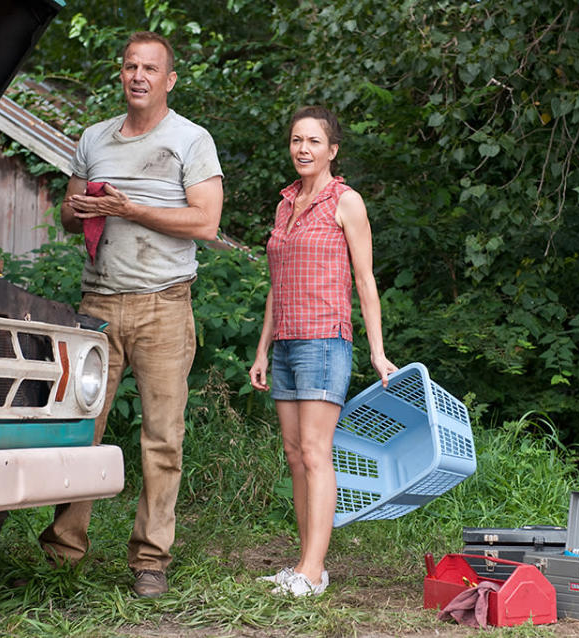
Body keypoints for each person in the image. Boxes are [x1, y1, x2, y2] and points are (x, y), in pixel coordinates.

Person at [37, 31, 224, 599]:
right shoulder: (94, 138)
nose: (138, 76)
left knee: (162, 438)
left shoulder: (191, 140)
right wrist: (80, 208)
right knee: (78, 431)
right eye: (129, 67)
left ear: (169, 80)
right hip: (97, 305)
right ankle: (64, 550)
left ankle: (151, 561)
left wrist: (128, 207)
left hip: (164, 304)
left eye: (150, 68)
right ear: (120, 75)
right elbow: (70, 217)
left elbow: (205, 223)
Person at [248, 106, 396, 596]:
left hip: (325, 339)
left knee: (315, 453)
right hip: (286, 341)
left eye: (313, 141)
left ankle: (313, 571)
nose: (302, 149)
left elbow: (365, 279)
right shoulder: (285, 204)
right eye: (296, 140)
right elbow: (276, 284)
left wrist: (377, 351)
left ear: (332, 150)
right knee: (294, 454)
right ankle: (304, 566)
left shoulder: (345, 201)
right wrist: (262, 349)